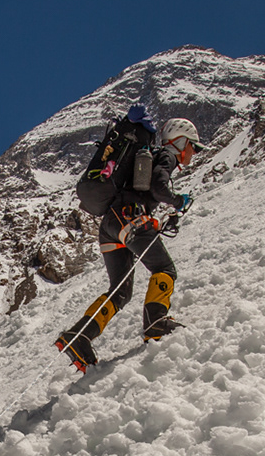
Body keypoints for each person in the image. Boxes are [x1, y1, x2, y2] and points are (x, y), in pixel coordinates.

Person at [55, 114, 202, 370]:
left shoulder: (149, 157)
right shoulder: (166, 156)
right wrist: (179, 201)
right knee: (164, 269)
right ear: (179, 142)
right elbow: (158, 189)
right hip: (129, 218)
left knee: (120, 291)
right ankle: (156, 324)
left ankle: (78, 337)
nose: (194, 151)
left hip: (111, 225)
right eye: (192, 145)